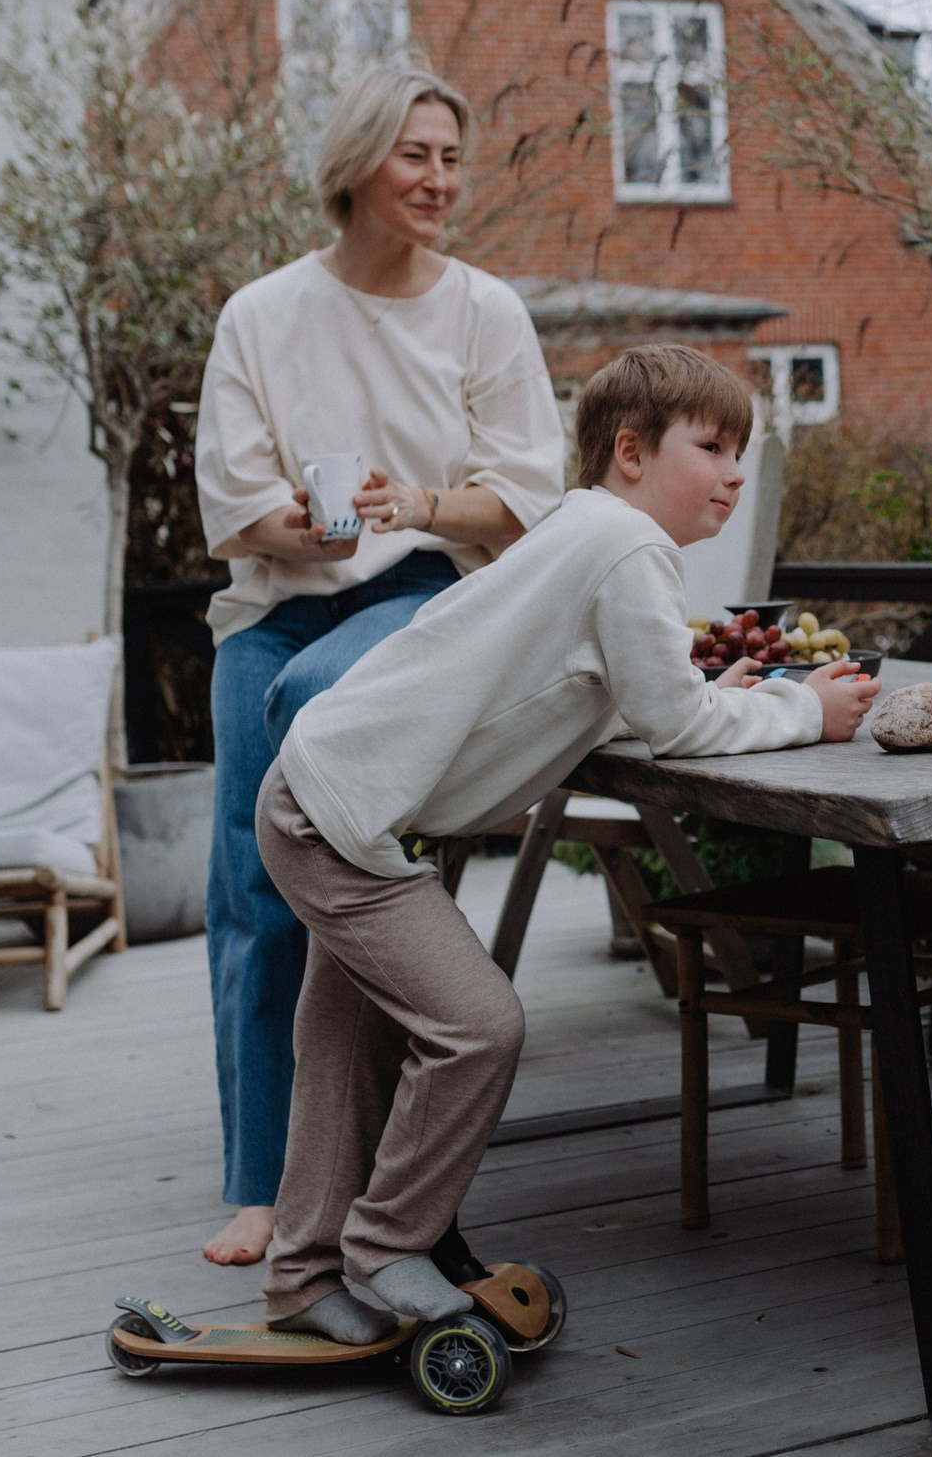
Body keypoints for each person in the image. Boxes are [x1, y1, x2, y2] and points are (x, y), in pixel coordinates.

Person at [253, 343, 881, 1341]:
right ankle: (386, 1243)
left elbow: (606, 691)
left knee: (347, 1046)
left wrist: (709, 691)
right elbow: (676, 726)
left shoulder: (583, 530)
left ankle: (301, 1275)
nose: (734, 472)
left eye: (741, 451)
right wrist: (804, 707)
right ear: (630, 452)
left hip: (326, 793)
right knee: (479, 1026)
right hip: (341, 820)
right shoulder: (628, 547)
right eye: (712, 447)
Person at [192, 66, 566, 1267]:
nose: (440, 178)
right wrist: (301, 528)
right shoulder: (263, 313)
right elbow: (233, 495)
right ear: (356, 164)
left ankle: (371, 1139)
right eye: (417, 154)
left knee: (311, 724)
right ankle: (262, 1182)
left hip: (418, 594)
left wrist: (416, 503)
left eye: (452, 156)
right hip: (274, 601)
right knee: (250, 890)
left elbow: (528, 495)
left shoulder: (484, 311)